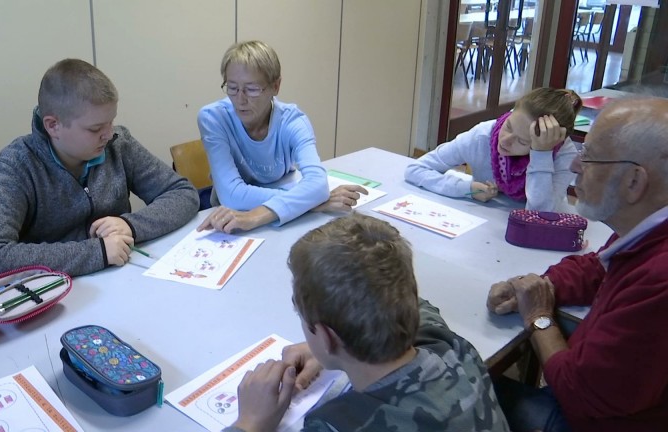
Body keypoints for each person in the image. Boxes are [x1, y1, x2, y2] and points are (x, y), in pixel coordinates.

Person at [223, 213, 509, 432]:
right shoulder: (453, 348)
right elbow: (412, 303)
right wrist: (334, 344)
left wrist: (249, 423)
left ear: (326, 337)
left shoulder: (336, 423)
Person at [487, 98, 668, 431]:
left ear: (633, 182)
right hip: (597, 402)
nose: (575, 167)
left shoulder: (660, 278)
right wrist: (538, 285)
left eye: (590, 157)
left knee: (450, 392)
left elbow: (578, 393)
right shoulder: (646, 228)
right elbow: (598, 267)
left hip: (593, 419)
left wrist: (538, 318)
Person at [0, 59, 199, 281]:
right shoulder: (17, 165)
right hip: (57, 296)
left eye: (111, 121)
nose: (108, 134)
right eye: (96, 128)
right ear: (53, 125)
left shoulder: (118, 143)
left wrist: (130, 225)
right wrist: (96, 252)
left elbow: (183, 193)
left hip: (122, 281)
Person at [197, 40, 366, 233]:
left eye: (252, 89)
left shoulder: (293, 122)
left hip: (278, 222)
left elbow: (318, 185)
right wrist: (311, 202)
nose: (240, 99)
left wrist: (262, 213)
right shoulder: (213, 117)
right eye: (232, 88)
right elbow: (232, 195)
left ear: (275, 86)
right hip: (228, 217)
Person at [405, 87, 582, 211]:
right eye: (509, 126)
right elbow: (415, 169)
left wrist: (541, 155)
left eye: (521, 141)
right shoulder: (483, 136)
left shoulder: (563, 155)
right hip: (486, 223)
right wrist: (467, 188)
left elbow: (539, 213)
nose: (505, 140)